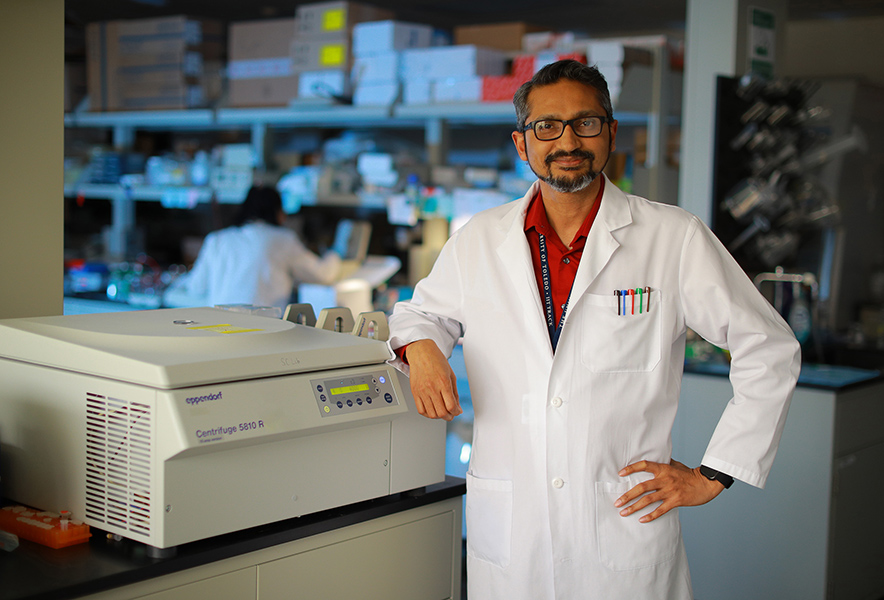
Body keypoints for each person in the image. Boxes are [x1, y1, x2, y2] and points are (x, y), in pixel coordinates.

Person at [387, 60, 801, 599]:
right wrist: (422, 350)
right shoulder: (479, 241)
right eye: (547, 126)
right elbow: (422, 313)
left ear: (610, 134)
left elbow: (768, 347)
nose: (567, 140)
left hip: (622, 527)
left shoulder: (672, 238)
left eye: (585, 123)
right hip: (516, 535)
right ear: (522, 143)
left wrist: (714, 474)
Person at [164, 185, 341, 311]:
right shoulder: (282, 239)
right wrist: (336, 254)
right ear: (278, 212)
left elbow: (196, 287)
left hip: (218, 329)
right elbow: (323, 274)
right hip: (264, 331)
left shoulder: (217, 240)